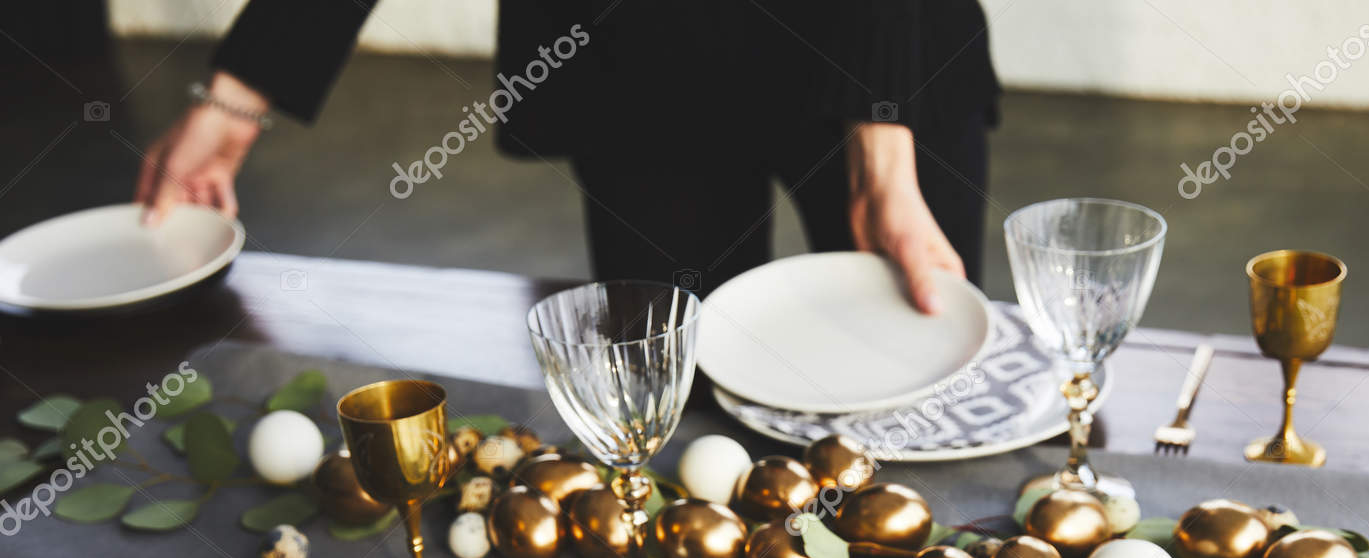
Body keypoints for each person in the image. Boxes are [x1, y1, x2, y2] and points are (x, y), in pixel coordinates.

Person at [136, 1, 998, 313]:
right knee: (672, 405)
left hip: (884, 42)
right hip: (639, 53)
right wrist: (238, 97)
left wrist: (882, 156)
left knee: (916, 384)